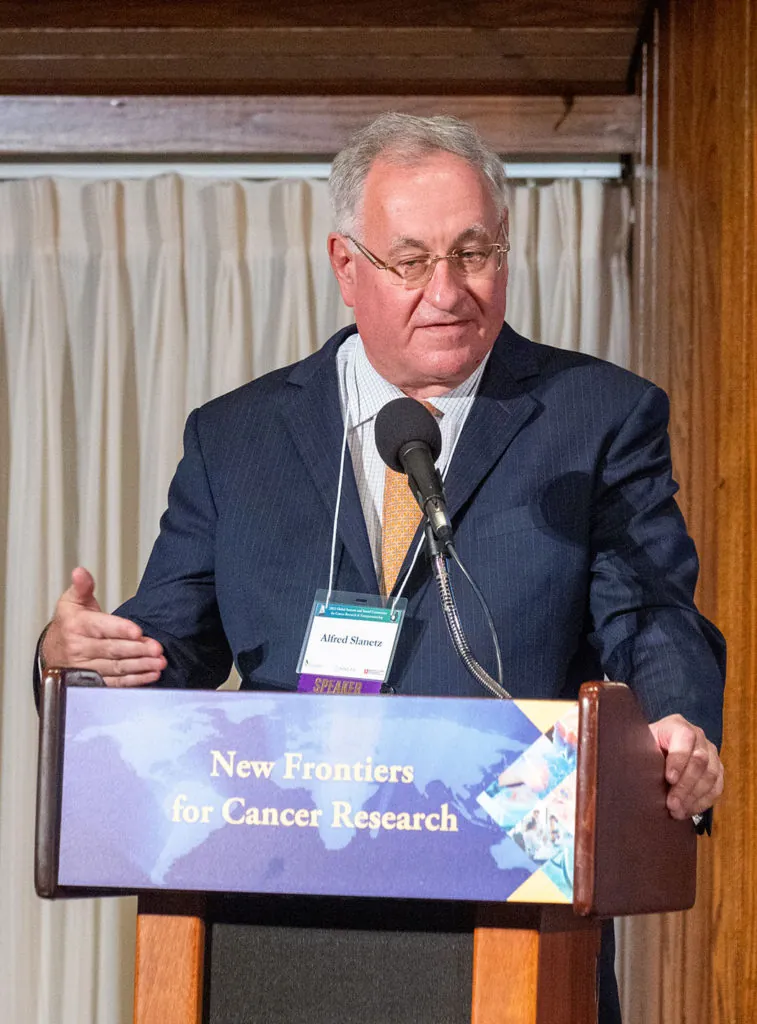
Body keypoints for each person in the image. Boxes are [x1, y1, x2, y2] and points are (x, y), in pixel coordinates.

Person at [35, 113, 725, 1021]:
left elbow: (650, 612)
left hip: (511, 905)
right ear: (345, 264)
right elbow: (167, 648)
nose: (448, 290)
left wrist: (673, 724)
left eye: (474, 253)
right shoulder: (236, 438)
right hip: (273, 916)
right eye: (411, 260)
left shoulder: (595, 417)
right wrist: (81, 662)